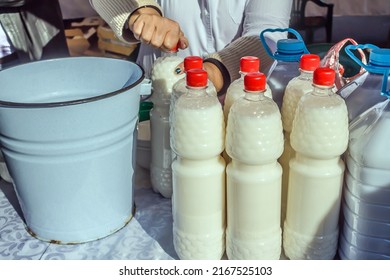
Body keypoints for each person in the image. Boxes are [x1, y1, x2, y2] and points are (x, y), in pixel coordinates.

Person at [90, 0, 292, 97]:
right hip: (156, 108)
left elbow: (268, 36)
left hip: (235, 111)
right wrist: (143, 12)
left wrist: (214, 72)